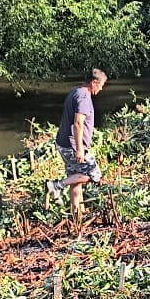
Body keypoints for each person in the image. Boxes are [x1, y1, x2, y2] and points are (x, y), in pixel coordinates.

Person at [46, 68, 106, 220]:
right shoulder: (84, 97)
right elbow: (78, 123)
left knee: (76, 178)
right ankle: (55, 185)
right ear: (94, 82)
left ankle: (77, 214)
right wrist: (80, 150)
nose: (101, 89)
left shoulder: (75, 91)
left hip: (64, 143)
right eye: (100, 85)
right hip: (73, 146)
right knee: (94, 175)